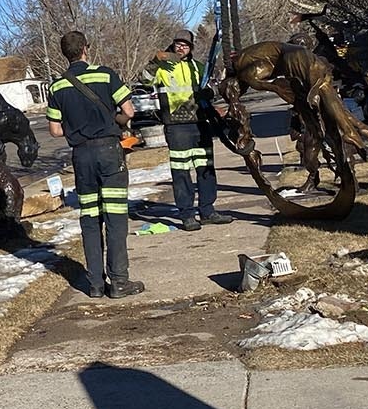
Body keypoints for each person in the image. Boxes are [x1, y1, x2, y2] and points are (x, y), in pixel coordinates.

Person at [46, 30, 144, 299]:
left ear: (64, 54)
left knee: (90, 219)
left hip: (81, 157)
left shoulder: (56, 87)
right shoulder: (105, 74)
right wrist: (114, 122)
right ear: (86, 49)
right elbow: (129, 111)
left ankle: (96, 285)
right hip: (109, 153)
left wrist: (78, 127)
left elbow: (55, 131)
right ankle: (120, 282)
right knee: (115, 217)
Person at [147, 29, 233, 232]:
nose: (181, 47)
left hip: (200, 125)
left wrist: (209, 92)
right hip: (176, 127)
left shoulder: (198, 66)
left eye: (185, 45)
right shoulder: (163, 66)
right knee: (181, 172)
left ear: (191, 47)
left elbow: (211, 88)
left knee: (206, 170)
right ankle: (186, 214)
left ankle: (207, 211)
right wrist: (154, 61)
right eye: (178, 44)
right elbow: (144, 79)